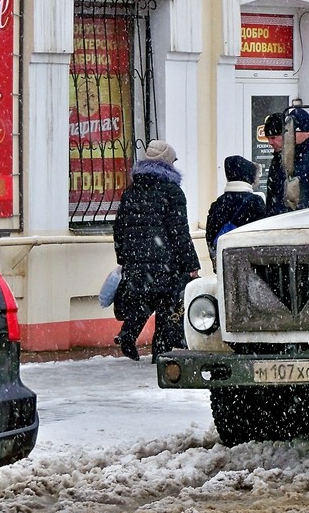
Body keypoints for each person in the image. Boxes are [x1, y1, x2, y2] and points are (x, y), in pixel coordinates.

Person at [112, 139, 200, 362]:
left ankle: (128, 334)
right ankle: (160, 353)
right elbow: (179, 232)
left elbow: (119, 228)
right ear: (168, 163)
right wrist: (191, 265)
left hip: (136, 261)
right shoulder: (172, 192)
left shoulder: (131, 191)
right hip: (165, 261)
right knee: (166, 306)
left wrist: (124, 257)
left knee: (143, 299)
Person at [264, 107, 309, 215]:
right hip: (283, 219)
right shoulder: (284, 156)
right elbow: (274, 193)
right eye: (286, 131)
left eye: (291, 131)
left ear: (305, 132)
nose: (288, 135)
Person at [205, 155, 267, 269]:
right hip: (250, 265)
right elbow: (262, 235)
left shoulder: (218, 203)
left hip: (224, 264)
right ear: (250, 177)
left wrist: (216, 261)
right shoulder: (255, 202)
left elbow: (210, 235)